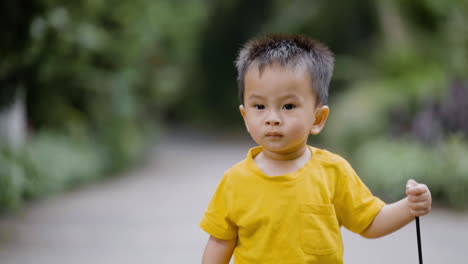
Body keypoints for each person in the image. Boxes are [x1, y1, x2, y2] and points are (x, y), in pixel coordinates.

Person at [199, 34, 432, 264]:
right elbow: (220, 241)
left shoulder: (332, 172)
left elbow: (369, 222)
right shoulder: (235, 182)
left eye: (288, 106)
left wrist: (409, 207)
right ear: (245, 115)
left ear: (318, 118)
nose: (272, 118)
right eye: (259, 106)